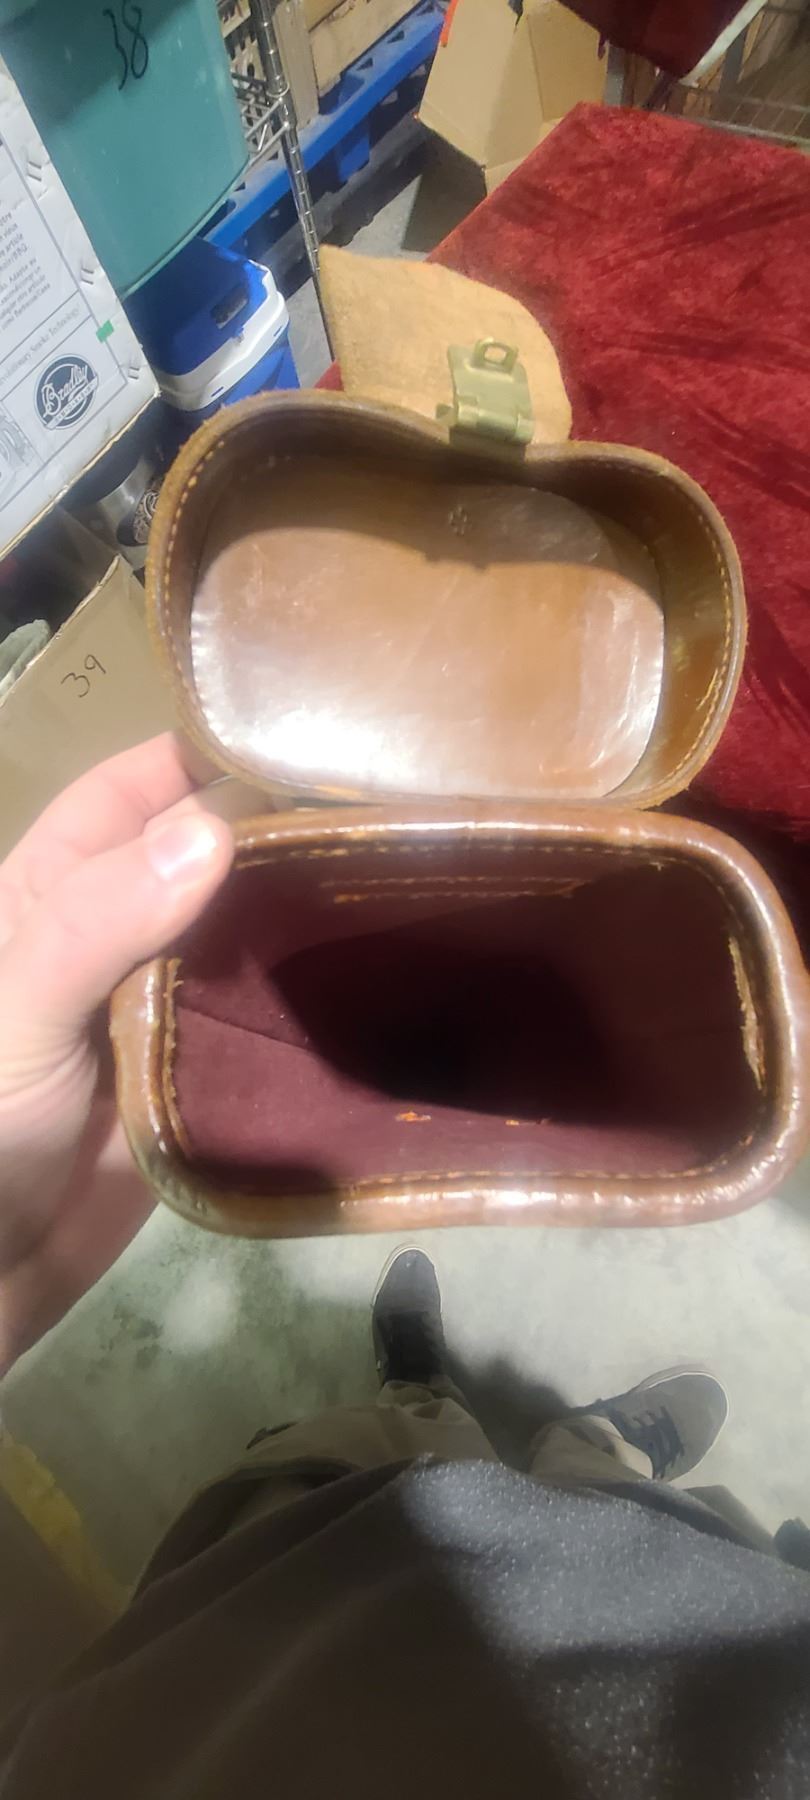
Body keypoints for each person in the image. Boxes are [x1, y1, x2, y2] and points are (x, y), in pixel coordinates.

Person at [0, 737, 808, 1798]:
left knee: (351, 1475)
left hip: (250, 1652)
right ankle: (597, 1449)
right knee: (617, 1518)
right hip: (685, 1648)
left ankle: (420, 1407)